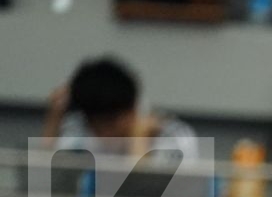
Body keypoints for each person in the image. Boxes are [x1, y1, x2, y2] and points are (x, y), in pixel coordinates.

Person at [42, 57, 201, 163]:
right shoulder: (81, 131)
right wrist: (55, 118)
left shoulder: (175, 137)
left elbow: (142, 196)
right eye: (95, 127)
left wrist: (138, 141)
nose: (104, 135)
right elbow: (47, 179)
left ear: (132, 109)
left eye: (109, 124)